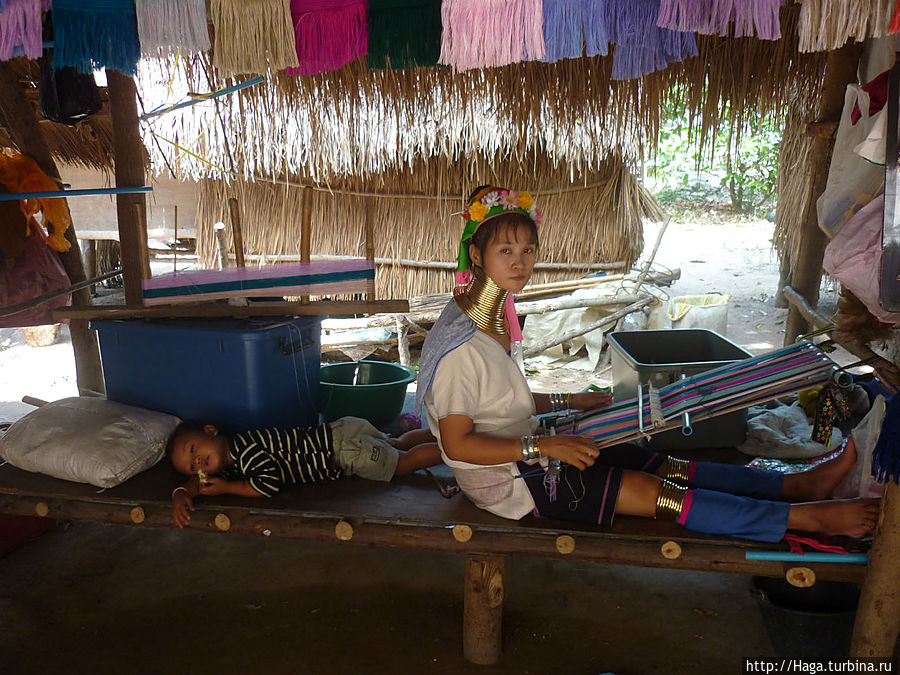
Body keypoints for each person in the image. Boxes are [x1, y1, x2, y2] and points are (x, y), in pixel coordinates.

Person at [415, 185, 879, 543]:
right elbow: (458, 444)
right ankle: (805, 516)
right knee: (648, 489)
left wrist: (573, 399)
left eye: (528, 250)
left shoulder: (490, 318)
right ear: (476, 255)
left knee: (659, 462)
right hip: (506, 482)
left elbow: (496, 404)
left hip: (526, 445)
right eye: (505, 251)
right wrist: (544, 448)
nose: (520, 263)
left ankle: (790, 488)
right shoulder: (464, 344)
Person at [168, 416, 439, 528]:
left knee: (402, 464)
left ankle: (455, 448)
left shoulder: (243, 453)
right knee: (397, 444)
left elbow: (268, 485)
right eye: (191, 466)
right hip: (342, 429)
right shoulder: (233, 457)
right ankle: (444, 432)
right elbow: (198, 483)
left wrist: (228, 489)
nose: (198, 462)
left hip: (342, 451)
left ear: (211, 431)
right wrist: (182, 492)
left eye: (193, 449)